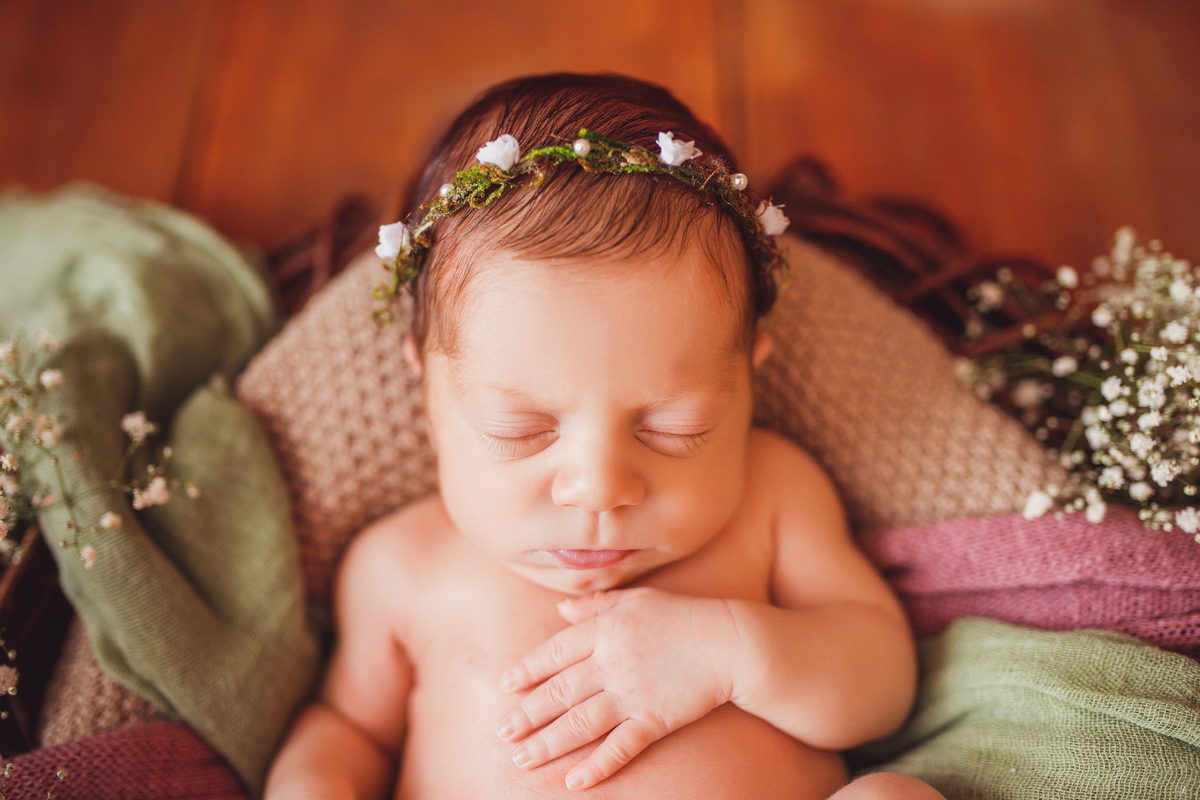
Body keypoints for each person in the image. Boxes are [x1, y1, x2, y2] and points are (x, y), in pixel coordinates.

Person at [265, 73, 944, 800]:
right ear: (427, 395)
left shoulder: (771, 497)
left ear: (749, 382)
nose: (598, 486)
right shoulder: (399, 567)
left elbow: (880, 682)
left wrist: (732, 652)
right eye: (520, 430)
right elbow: (348, 728)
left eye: (671, 427)